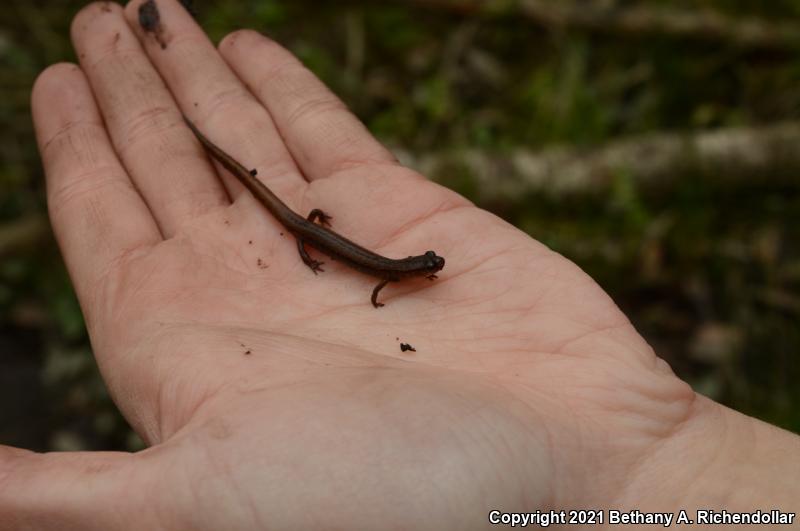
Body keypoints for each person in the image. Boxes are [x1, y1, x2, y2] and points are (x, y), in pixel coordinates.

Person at [5, 0, 798, 529]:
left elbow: (384, 276)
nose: (427, 271)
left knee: (294, 218)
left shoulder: (399, 269)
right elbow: (376, 279)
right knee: (289, 219)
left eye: (425, 268)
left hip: (314, 233)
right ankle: (240, 172)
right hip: (307, 234)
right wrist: (324, 257)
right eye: (427, 267)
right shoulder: (387, 271)